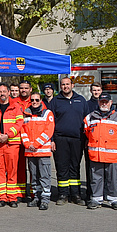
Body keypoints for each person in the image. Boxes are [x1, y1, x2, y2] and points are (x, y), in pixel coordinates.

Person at [84, 93, 117, 210]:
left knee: (113, 179)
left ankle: (114, 200)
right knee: (96, 178)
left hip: (112, 156)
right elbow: (87, 132)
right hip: (96, 155)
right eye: (102, 101)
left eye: (106, 102)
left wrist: (116, 145)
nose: (104, 104)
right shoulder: (90, 117)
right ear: (98, 102)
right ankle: (96, 199)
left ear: (111, 103)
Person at [47, 77, 89, 205]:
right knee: (61, 167)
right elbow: (50, 122)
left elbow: (87, 120)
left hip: (77, 139)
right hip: (60, 139)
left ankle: (75, 194)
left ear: (72, 85)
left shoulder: (81, 100)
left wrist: (87, 139)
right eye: (63, 85)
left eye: (67, 84)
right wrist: (52, 139)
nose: (65, 87)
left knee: (75, 167)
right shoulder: (55, 101)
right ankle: (62, 194)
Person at [0, 83, 24, 207]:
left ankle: (12, 198)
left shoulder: (15, 106)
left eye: (4, 91)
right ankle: (2, 198)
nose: (2, 94)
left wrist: (8, 135)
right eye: (0, 92)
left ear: (8, 92)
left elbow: (19, 123)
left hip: (11, 144)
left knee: (12, 171)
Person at [21, 92, 55, 210]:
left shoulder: (47, 113)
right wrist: (27, 144)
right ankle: (36, 197)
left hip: (43, 151)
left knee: (44, 176)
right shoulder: (26, 114)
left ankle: (45, 199)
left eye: (37, 100)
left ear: (41, 101)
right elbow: (22, 131)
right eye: (32, 100)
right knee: (34, 176)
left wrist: (35, 144)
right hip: (30, 151)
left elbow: (48, 131)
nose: (34, 102)